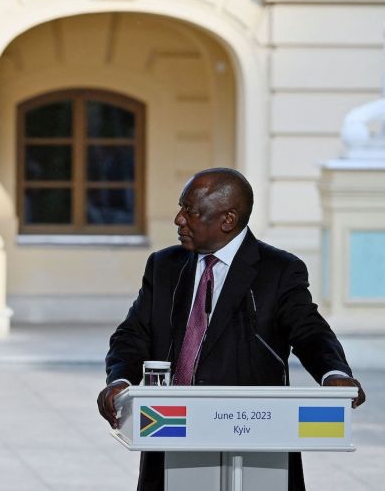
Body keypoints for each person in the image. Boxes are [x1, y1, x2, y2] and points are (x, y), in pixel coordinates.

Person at [96, 168, 365, 491]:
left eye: (190, 211)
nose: (178, 219)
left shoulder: (277, 270)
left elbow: (309, 329)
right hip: (171, 434)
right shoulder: (164, 266)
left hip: (254, 442)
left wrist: (333, 372)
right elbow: (132, 335)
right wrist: (121, 380)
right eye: (182, 208)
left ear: (227, 220)